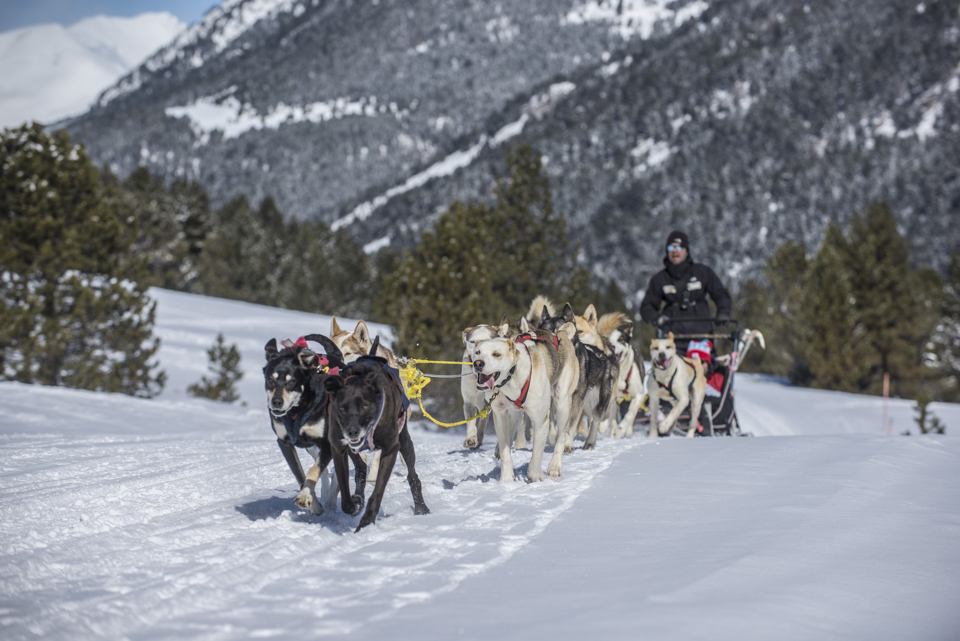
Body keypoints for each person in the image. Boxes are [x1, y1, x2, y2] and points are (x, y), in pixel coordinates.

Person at [639, 230, 732, 357]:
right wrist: (657, 319)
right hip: (672, 340)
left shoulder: (702, 273)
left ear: (687, 250)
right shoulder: (660, 279)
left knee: (703, 371)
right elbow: (646, 307)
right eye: (671, 247)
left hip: (702, 337)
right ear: (667, 251)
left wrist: (723, 312)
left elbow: (721, 294)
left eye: (680, 247)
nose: (675, 251)